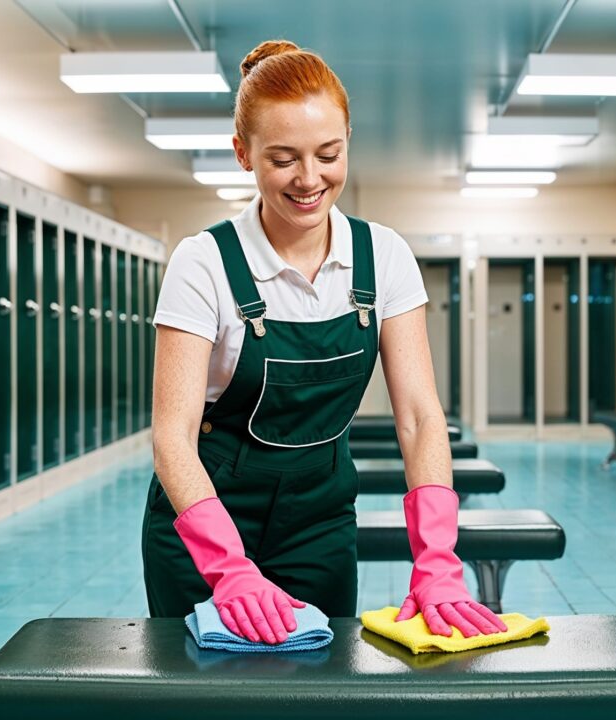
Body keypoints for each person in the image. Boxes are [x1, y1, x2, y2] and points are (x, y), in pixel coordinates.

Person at [142, 40, 507, 645]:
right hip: (207, 516)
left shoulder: (383, 257)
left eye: (328, 154)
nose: (310, 180)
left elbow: (418, 417)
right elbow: (171, 436)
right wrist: (229, 570)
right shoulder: (203, 262)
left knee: (317, 691)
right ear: (243, 155)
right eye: (283, 159)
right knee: (206, 696)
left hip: (319, 519)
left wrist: (437, 560)